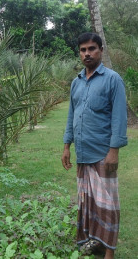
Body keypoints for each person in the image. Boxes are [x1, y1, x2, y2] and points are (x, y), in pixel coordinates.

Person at [61, 32, 127, 259]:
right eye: (83, 50)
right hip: (83, 153)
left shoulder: (112, 79)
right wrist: (66, 146)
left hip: (102, 153)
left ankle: (109, 252)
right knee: (88, 203)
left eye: (92, 49)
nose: (87, 53)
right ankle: (95, 242)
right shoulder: (76, 82)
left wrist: (114, 152)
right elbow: (72, 115)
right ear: (79, 53)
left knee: (107, 206)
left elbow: (119, 118)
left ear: (100, 50)